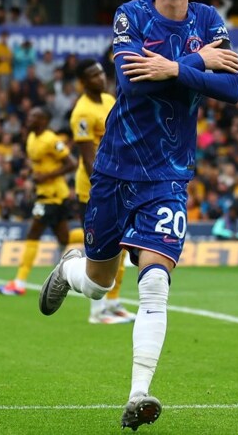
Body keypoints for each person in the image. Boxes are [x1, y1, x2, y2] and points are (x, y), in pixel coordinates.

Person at [38, 0, 238, 430]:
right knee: (98, 284)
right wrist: (195, 64)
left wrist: (171, 67)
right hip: (115, 168)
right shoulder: (131, 15)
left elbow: (232, 87)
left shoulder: (209, 20)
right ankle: (69, 270)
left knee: (154, 283)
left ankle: (139, 394)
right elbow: (131, 81)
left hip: (169, 175)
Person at [70, 58, 135, 324]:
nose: (101, 78)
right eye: (93, 75)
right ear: (83, 82)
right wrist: (102, 189)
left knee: (122, 247)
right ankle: (96, 312)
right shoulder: (81, 113)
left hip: (118, 180)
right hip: (94, 188)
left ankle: (112, 302)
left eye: (100, 73)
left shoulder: (109, 100)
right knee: (99, 250)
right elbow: (88, 158)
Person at [0, 107, 77, 296]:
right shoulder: (31, 138)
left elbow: (72, 163)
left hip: (53, 195)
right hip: (46, 194)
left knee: (33, 233)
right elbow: (39, 164)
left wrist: (46, 176)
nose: (29, 118)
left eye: (34, 116)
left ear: (44, 120)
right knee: (64, 238)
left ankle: (19, 282)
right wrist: (31, 173)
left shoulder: (51, 140)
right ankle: (94, 236)